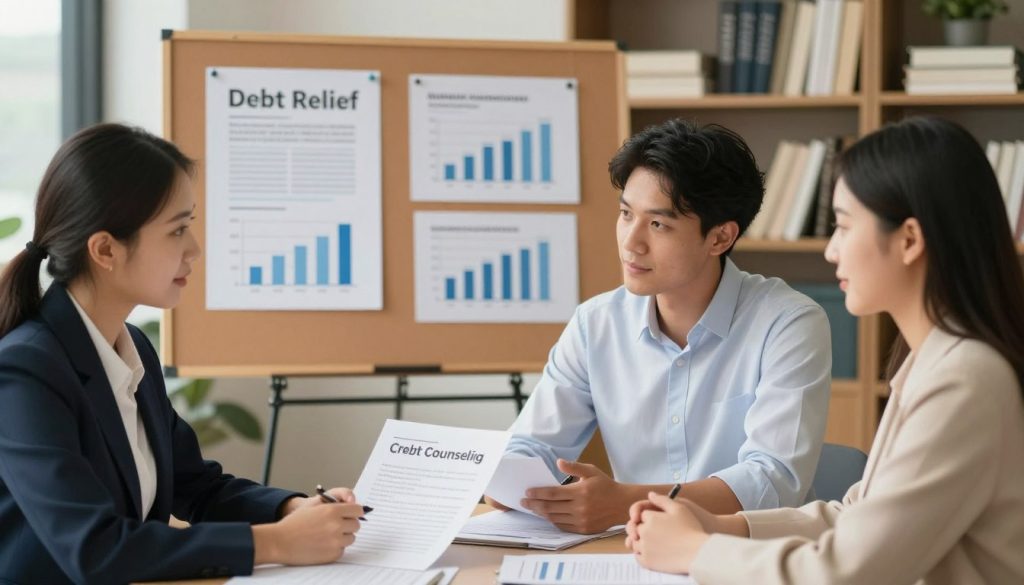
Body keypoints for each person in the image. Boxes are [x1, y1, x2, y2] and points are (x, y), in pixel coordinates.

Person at [625, 116, 1024, 584]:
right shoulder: (935, 363)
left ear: (910, 240)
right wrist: (725, 527)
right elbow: (858, 518)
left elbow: (845, 571)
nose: (831, 251)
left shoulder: (965, 381)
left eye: (843, 227)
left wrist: (698, 550)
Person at [0, 123, 365, 584]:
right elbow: (93, 548)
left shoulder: (131, 349)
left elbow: (196, 485)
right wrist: (277, 543)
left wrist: (293, 509)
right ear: (106, 250)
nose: (194, 249)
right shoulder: (25, 371)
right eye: (177, 231)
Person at [489, 119, 833, 534]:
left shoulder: (788, 323)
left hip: (746, 559)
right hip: (634, 558)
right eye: (625, 214)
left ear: (720, 238)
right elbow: (529, 448)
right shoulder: (595, 324)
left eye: (658, 224)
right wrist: (503, 479)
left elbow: (774, 481)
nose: (631, 242)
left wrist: (625, 502)